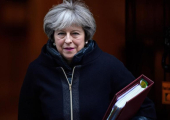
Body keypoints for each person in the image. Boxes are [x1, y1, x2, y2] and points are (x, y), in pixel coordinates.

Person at [18, 0, 156, 120]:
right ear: (52, 37)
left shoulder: (109, 66)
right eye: (61, 33)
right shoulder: (37, 70)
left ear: (86, 36)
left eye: (75, 33)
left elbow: (145, 108)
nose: (68, 40)